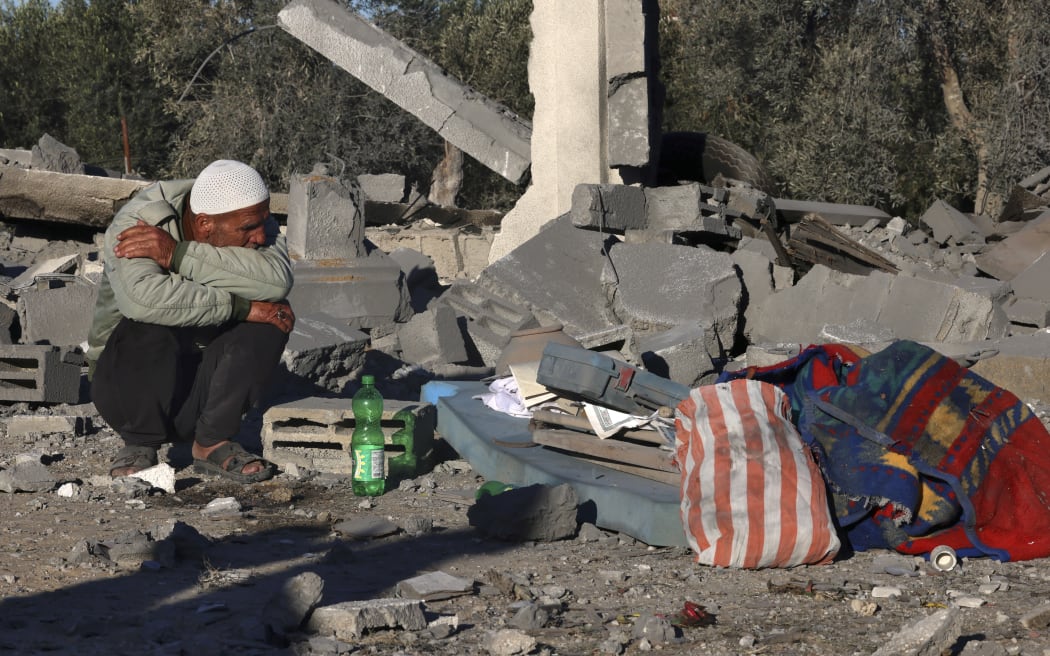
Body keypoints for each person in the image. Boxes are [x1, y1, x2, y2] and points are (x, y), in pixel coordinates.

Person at [87, 159, 295, 483]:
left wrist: (177, 255)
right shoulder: (140, 219)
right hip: (127, 392)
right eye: (247, 229)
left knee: (273, 315)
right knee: (150, 320)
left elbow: (276, 282)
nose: (259, 236)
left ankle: (212, 442)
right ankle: (140, 442)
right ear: (204, 224)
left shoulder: (253, 214)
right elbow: (143, 299)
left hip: (200, 390)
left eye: (263, 223)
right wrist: (240, 307)